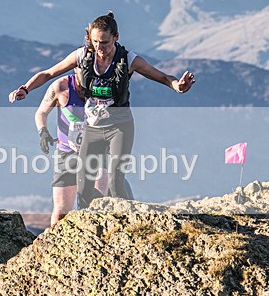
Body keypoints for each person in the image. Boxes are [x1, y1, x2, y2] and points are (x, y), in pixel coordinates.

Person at [10, 12, 195, 207]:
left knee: (115, 182)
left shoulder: (129, 60)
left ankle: (131, 223)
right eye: (95, 41)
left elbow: (164, 77)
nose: (99, 47)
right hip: (93, 129)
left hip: (120, 127)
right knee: (83, 188)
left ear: (116, 37)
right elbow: (48, 73)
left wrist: (178, 86)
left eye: (105, 42)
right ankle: (103, 216)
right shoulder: (82, 55)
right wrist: (25, 89)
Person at [35, 73, 133, 227]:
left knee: (96, 203)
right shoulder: (61, 86)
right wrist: (43, 132)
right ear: (75, 66)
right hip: (67, 153)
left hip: (97, 151)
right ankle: (55, 244)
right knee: (60, 212)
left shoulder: (103, 87)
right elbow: (41, 112)